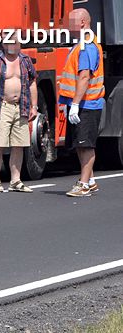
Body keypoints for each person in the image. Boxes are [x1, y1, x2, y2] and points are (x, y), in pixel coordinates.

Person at [0, 39, 38, 193]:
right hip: (1, 107)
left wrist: (34, 106)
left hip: (21, 107)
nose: (13, 45)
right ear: (3, 44)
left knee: (19, 145)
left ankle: (16, 180)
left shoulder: (25, 61)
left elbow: (32, 83)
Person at [60, 8, 105, 197]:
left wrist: (76, 104)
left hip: (87, 104)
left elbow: (84, 77)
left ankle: (84, 184)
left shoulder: (86, 46)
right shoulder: (81, 44)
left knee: (86, 145)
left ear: (83, 23)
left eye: (70, 23)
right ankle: (91, 180)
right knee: (80, 144)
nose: (67, 27)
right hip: (82, 103)